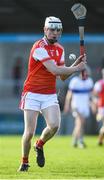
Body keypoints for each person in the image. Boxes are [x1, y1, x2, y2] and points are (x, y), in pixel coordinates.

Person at [18, 16, 86, 172]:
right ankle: (24, 162)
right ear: (45, 30)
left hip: (49, 94)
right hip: (32, 93)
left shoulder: (60, 49)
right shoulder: (38, 47)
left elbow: (61, 76)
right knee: (29, 132)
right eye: (52, 29)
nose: (55, 33)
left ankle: (39, 145)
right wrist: (77, 68)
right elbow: (55, 70)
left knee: (54, 126)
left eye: (58, 30)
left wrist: (76, 63)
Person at [64, 66, 94, 148]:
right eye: (85, 74)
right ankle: (81, 141)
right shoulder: (75, 81)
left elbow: (91, 95)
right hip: (76, 105)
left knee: (79, 124)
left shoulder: (89, 82)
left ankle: (74, 141)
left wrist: (93, 104)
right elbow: (69, 95)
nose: (86, 76)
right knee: (80, 122)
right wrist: (67, 105)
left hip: (85, 106)